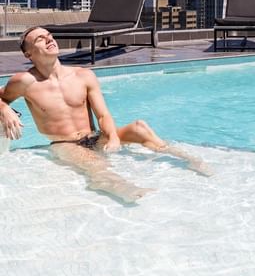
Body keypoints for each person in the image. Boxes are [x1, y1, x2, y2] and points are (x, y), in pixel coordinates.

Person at [0, 26, 212, 203]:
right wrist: (4, 109)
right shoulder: (24, 82)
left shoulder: (83, 75)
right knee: (94, 165)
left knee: (140, 127)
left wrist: (111, 137)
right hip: (65, 144)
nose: (49, 40)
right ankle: (124, 189)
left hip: (94, 137)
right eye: (40, 39)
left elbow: (103, 116)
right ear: (28, 53)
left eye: (50, 36)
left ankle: (189, 160)